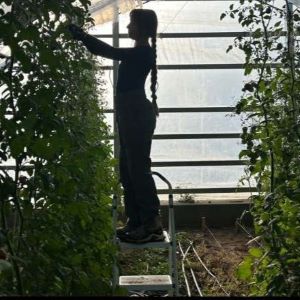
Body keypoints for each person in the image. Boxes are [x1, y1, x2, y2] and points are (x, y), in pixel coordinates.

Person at [68, 9, 164, 243]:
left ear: (141, 28)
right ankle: (136, 221)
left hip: (135, 115)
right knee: (127, 169)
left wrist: (81, 36)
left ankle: (151, 224)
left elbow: (108, 51)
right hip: (131, 114)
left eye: (131, 24)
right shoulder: (139, 52)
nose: (128, 28)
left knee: (138, 169)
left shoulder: (142, 53)